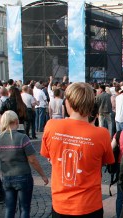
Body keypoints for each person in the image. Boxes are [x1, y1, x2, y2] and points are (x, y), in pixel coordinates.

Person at [40, 82, 114, 217]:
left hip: (61, 204)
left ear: (67, 103)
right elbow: (105, 161)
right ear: (91, 106)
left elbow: (49, 157)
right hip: (90, 204)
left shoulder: (51, 126)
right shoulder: (102, 134)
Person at [0, 111, 49, 218]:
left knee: (9, 208)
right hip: (23, 176)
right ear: (16, 121)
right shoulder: (22, 138)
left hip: (6, 176)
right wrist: (43, 175)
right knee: (24, 208)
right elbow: (32, 160)